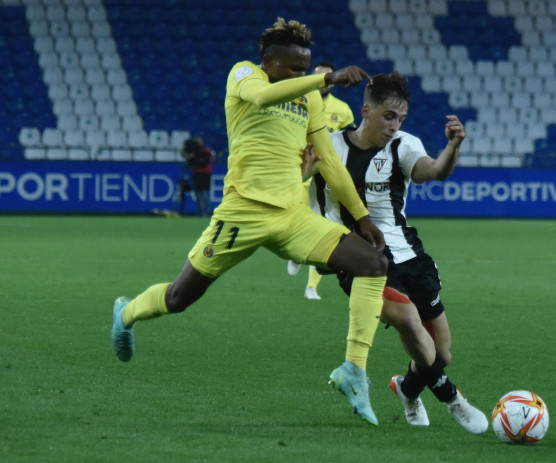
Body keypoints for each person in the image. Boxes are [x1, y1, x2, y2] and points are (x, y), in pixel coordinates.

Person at [110, 18, 388, 426]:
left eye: (306, 67)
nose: (303, 74)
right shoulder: (244, 74)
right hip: (242, 212)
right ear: (269, 61)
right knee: (178, 299)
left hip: (293, 215)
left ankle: (353, 370)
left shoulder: (310, 98)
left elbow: (328, 161)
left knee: (373, 263)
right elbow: (261, 98)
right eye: (293, 68)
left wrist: (362, 217)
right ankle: (126, 313)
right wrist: (319, 81)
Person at [309, 72, 488, 433]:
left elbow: (434, 171)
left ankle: (407, 391)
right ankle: (454, 400)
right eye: (389, 116)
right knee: (406, 317)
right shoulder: (328, 147)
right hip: (359, 259)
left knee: (441, 354)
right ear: (366, 110)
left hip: (409, 255)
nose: (395, 125)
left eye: (401, 118)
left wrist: (452, 148)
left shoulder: (404, 145)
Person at [287, 61, 356, 300]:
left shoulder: (344, 109)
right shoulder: (299, 101)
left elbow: (351, 139)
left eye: (329, 77)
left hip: (325, 172)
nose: (324, 81)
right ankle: (295, 253)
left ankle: (311, 287)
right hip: (301, 169)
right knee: (294, 220)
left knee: (321, 223)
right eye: (320, 76)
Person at [181, 136, 214, 217]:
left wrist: (194, 159)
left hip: (205, 175)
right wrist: (188, 155)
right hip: (196, 174)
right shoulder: (195, 153)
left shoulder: (206, 152)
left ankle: (206, 212)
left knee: (204, 194)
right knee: (198, 194)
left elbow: (203, 163)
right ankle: (200, 211)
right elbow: (190, 163)